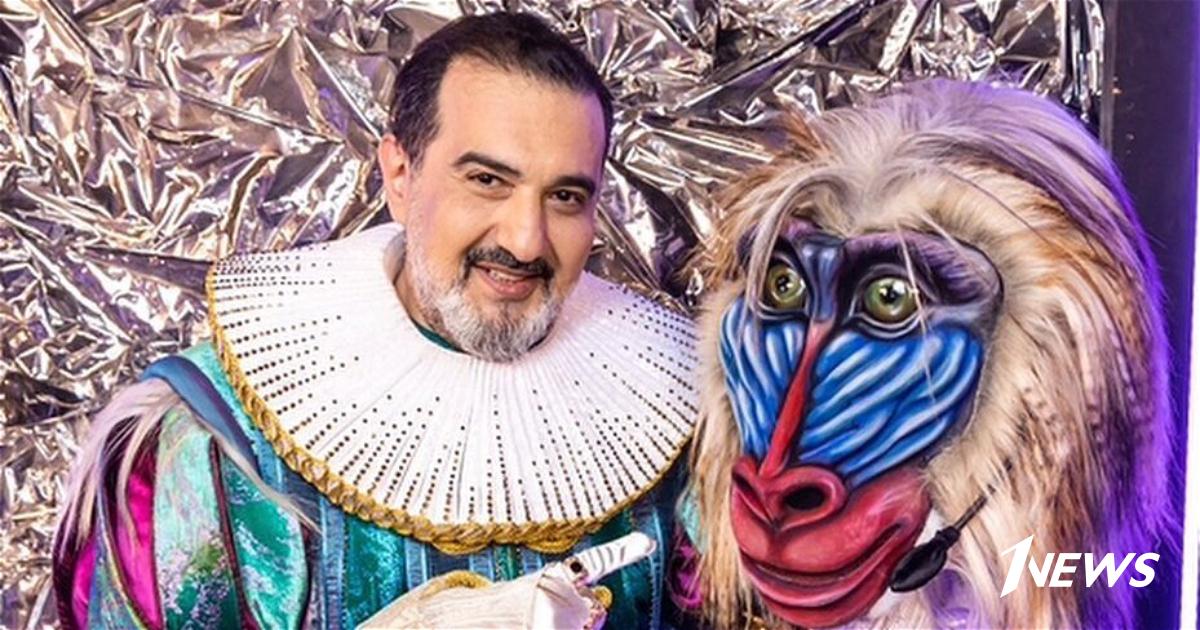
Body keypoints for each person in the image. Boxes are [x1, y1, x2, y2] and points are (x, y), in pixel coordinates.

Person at [53, 12, 698, 629]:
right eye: (487, 181)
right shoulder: (208, 447)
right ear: (400, 175)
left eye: (565, 196)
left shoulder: (694, 424)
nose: (526, 241)